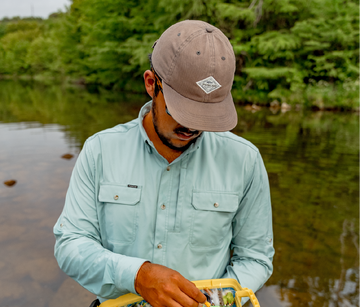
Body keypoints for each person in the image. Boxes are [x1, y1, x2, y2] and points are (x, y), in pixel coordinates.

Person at [54, 20, 274, 307]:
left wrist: (214, 302)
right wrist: (137, 276)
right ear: (151, 84)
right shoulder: (100, 151)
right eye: (181, 109)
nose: (192, 126)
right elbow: (70, 246)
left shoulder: (245, 160)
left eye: (205, 114)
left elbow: (255, 257)